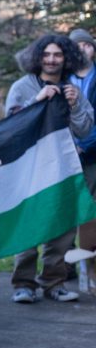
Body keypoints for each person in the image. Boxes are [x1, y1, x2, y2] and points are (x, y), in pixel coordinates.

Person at [4, 33, 93, 303]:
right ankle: (24, 284)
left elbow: (85, 128)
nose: (51, 60)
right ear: (37, 57)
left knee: (62, 228)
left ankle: (54, 283)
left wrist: (75, 104)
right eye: (46, 55)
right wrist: (38, 101)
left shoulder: (72, 88)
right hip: (30, 169)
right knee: (30, 224)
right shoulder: (23, 86)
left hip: (64, 168)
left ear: (67, 58)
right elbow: (11, 128)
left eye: (57, 55)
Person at [70, 29, 96, 252]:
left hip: (91, 155)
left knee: (90, 210)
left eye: (87, 45)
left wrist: (83, 145)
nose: (82, 49)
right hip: (64, 156)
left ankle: (90, 263)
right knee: (66, 208)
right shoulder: (61, 78)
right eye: (77, 45)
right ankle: (64, 266)